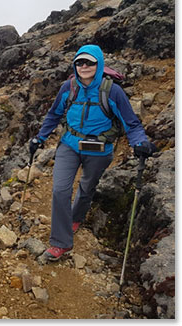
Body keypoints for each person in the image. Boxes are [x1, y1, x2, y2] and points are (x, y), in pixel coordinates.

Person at [29, 44, 157, 262]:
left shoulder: (112, 91)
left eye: (90, 62)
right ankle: (61, 243)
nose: (84, 66)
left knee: (87, 187)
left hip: (99, 149)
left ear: (99, 64)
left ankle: (76, 217)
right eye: (80, 62)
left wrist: (140, 143)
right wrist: (39, 138)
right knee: (60, 190)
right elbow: (53, 115)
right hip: (69, 145)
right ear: (75, 65)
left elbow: (131, 124)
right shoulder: (68, 88)